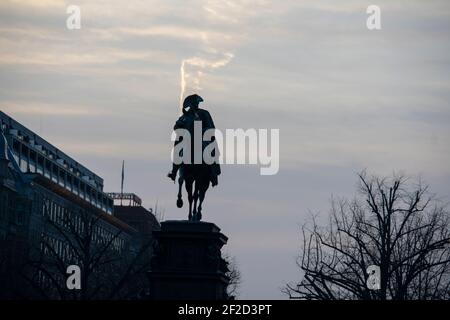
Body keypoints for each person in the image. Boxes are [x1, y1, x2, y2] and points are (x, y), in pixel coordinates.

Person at [167, 94, 221, 186]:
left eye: (196, 103)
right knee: (177, 146)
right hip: (187, 138)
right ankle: (174, 171)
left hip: (202, 137)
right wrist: (180, 128)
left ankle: (214, 173)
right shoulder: (186, 115)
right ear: (190, 104)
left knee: (212, 149)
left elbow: (211, 127)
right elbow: (176, 126)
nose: (196, 105)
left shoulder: (204, 113)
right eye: (194, 103)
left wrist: (202, 131)